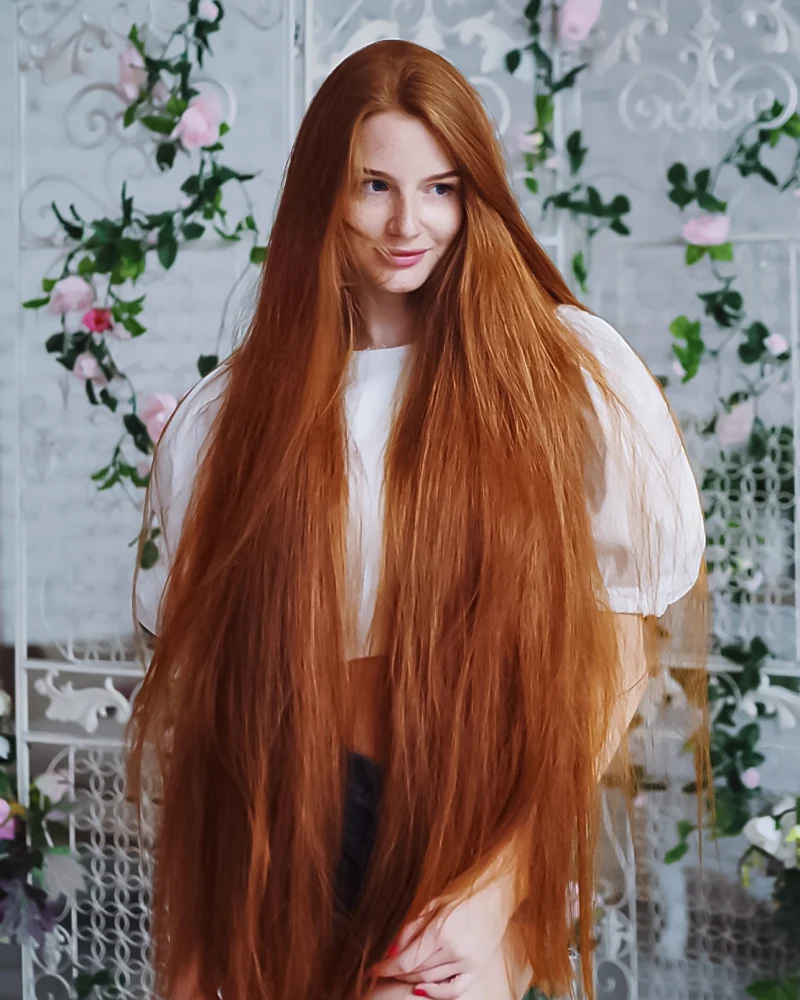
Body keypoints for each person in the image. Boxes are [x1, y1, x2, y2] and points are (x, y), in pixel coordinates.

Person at [128, 38, 708, 1000]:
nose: (410, 223)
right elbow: (216, 700)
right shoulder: (234, 415)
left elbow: (614, 657)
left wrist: (502, 879)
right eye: (375, 186)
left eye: (441, 188)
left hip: (470, 818)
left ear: (476, 195)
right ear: (325, 192)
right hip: (288, 823)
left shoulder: (561, 373)